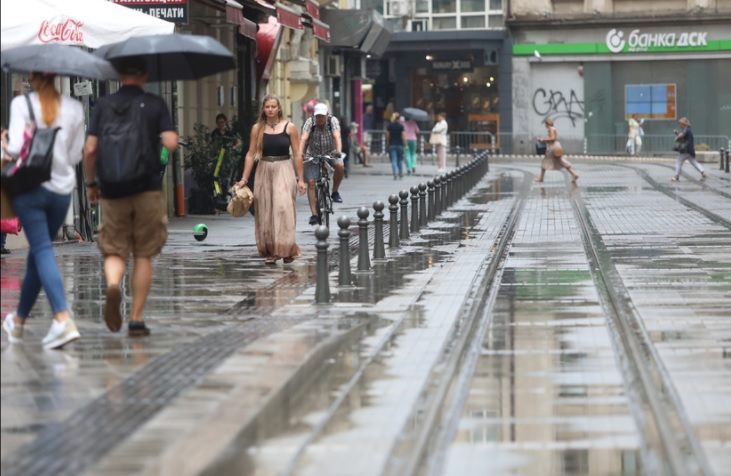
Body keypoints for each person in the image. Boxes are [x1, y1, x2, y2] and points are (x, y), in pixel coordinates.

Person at [84, 56, 179, 337]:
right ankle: (136, 319)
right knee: (143, 254)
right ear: (145, 75)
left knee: (114, 248)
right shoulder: (154, 104)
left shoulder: (103, 105)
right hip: (147, 188)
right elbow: (171, 142)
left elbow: (90, 149)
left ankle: (114, 285)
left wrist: (92, 184)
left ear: (119, 74)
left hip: (113, 189)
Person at [1, 72, 85, 349]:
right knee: (39, 252)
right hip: (61, 193)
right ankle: (19, 321)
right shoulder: (74, 108)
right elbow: (75, 156)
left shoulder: (21, 105)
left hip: (30, 190)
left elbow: (13, 148)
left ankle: (62, 318)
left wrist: (4, 141)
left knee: (42, 251)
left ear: (33, 76)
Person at [236, 94, 306, 264]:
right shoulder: (257, 128)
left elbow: (297, 154)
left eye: (273, 106)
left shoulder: (290, 127)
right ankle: (272, 251)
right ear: (263, 109)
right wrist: (244, 179)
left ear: (279, 108)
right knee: (266, 211)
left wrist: (301, 179)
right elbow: (251, 154)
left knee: (283, 208)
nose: (270, 109)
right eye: (267, 107)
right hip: (264, 169)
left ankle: (287, 248)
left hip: (284, 168)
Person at [299, 103, 344, 226]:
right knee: (312, 182)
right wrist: (300, 153)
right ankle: (314, 214)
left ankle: (334, 191)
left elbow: (337, 136)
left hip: (331, 152)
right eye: (317, 116)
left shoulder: (332, 121)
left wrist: (338, 152)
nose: (320, 119)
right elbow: (303, 138)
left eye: (322, 116)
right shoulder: (310, 122)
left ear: (327, 115)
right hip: (313, 154)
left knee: (340, 166)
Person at [535, 118, 580, 183]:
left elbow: (553, 138)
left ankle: (541, 178)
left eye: (545, 124)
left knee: (545, 161)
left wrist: (543, 139)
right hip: (556, 146)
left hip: (552, 147)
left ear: (547, 124)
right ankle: (574, 174)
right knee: (562, 161)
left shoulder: (551, 129)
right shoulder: (553, 128)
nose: (545, 125)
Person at [671, 117, 706, 182]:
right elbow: (683, 136)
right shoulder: (688, 130)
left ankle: (676, 176)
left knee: (678, 162)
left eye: (680, 124)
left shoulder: (686, 129)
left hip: (685, 150)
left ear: (683, 124)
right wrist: (677, 133)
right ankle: (702, 172)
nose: (679, 125)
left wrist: (677, 137)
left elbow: (683, 134)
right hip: (690, 150)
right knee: (694, 162)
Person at [386, 112, 406, 180]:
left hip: (392, 144)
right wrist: (406, 144)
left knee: (393, 159)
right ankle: (400, 173)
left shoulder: (390, 126)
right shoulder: (401, 126)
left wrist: (388, 142)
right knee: (400, 159)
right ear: (399, 119)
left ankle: (395, 173)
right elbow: (404, 136)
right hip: (399, 144)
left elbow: (387, 135)